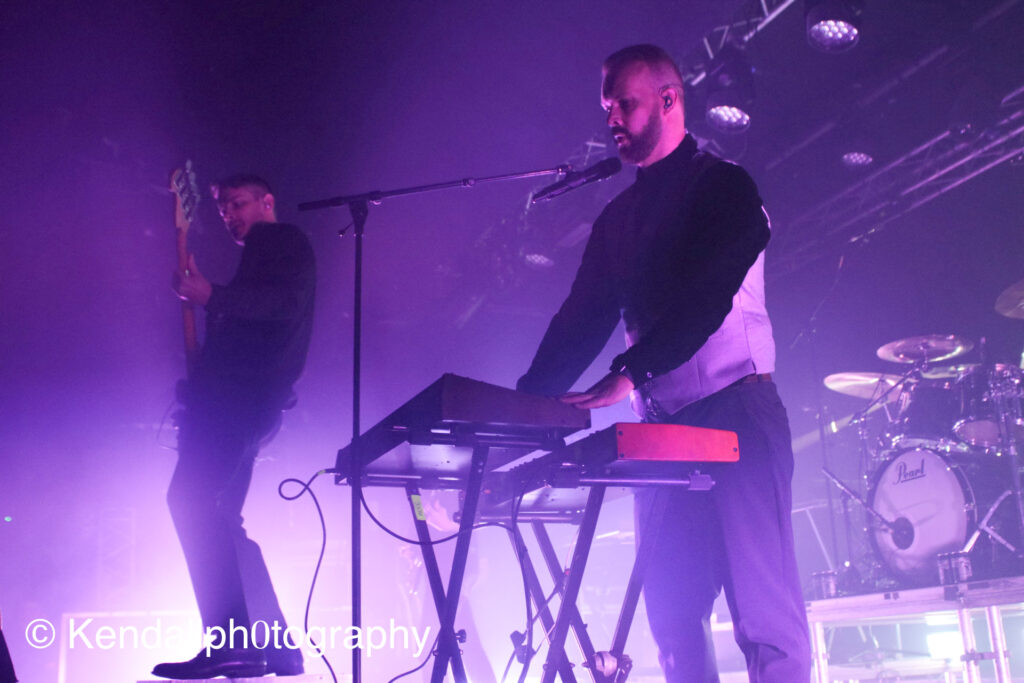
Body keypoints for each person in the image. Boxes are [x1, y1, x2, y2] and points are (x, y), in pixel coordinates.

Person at [516, 45, 810, 682]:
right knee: (673, 623)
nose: (613, 118)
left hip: (737, 410)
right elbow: (579, 320)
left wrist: (630, 370)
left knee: (764, 619)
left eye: (625, 103)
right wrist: (521, 405)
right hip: (660, 429)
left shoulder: (725, 187)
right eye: (607, 108)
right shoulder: (618, 219)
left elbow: (708, 297)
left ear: (670, 100)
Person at [154, 174, 316, 679]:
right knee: (222, 516)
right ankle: (275, 647)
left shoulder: (280, 239)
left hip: (238, 404)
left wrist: (211, 297)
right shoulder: (263, 253)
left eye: (238, 203)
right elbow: (256, 326)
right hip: (243, 404)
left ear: (268, 201)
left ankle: (231, 644)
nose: (229, 213)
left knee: (191, 501)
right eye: (223, 207)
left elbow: (281, 305)